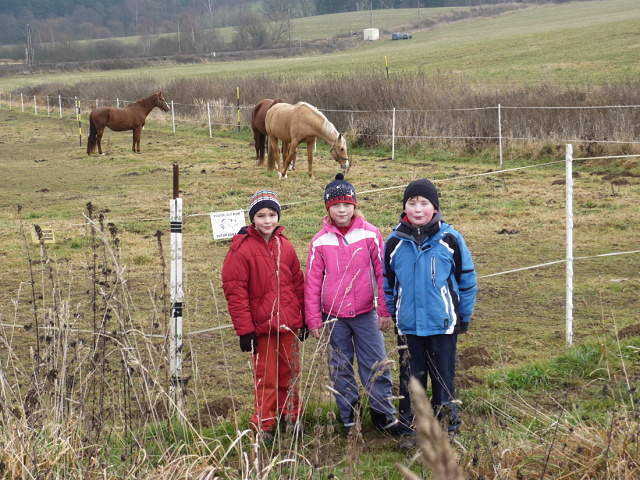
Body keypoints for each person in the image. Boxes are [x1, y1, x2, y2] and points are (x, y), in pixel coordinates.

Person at [305, 173, 408, 441]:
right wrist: (314, 319)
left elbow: (383, 274)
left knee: (376, 363)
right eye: (336, 205)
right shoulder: (319, 242)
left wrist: (384, 310)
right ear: (327, 208)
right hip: (333, 317)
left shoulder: (370, 234)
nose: (342, 210)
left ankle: (383, 415)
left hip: (366, 313)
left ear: (354, 205)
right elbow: (312, 283)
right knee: (340, 367)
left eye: (346, 205)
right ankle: (350, 417)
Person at [384, 179, 477, 442]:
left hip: (443, 324)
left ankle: (446, 426)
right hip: (408, 326)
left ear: (435, 208)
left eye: (424, 203)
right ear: (404, 207)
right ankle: (410, 429)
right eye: (412, 203)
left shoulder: (451, 240)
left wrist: (463, 317)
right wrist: (394, 315)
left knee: (443, 378)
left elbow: (467, 280)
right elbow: (387, 284)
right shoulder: (394, 242)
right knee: (410, 380)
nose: (418, 209)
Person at [221, 190, 306, 444]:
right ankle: (264, 424)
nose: (267, 220)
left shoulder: (285, 245)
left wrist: (301, 318)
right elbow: (235, 292)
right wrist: (245, 330)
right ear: (252, 218)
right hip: (262, 328)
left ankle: (291, 416)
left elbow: (297, 283)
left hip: (288, 325)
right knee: (266, 377)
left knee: (290, 372)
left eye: (272, 214)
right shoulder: (240, 250)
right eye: (261, 215)